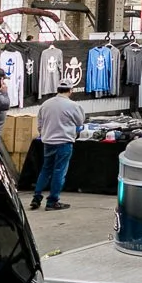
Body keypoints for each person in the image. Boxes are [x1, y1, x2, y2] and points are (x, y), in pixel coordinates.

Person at [31, 83, 85, 211]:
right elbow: (80, 122)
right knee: (59, 171)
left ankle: (36, 197)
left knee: (46, 169)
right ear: (70, 90)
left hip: (48, 142)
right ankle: (52, 201)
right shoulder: (73, 106)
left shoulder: (46, 104)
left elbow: (40, 124)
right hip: (64, 142)